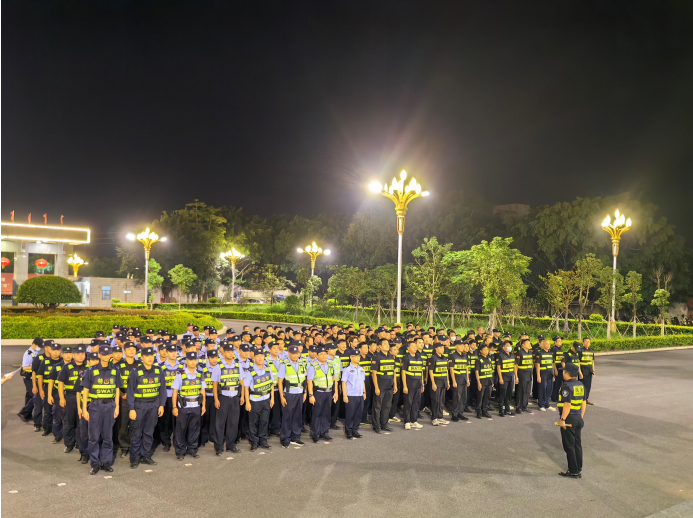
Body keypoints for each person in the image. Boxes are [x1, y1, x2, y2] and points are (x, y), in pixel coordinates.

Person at [81, 345, 123, 475]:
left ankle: (106, 462)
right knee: (94, 437)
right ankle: (95, 463)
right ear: (99, 355)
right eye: (103, 354)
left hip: (110, 406)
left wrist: (117, 406)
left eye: (108, 354)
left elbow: (117, 389)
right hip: (95, 406)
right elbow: (85, 390)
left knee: (108, 437)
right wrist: (84, 409)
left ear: (111, 355)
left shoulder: (115, 370)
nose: (106, 356)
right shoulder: (91, 370)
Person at [172, 352, 206, 460]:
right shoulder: (180, 375)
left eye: (195, 359)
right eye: (190, 360)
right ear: (186, 361)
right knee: (181, 429)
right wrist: (174, 407)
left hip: (196, 405)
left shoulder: (200, 374)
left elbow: (202, 391)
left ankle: (192, 449)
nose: (193, 362)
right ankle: (180, 451)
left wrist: (203, 406)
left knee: (194, 429)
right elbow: (175, 392)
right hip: (183, 406)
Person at [212, 343, 243, 456]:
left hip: (235, 397)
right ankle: (219, 447)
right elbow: (215, 385)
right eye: (228, 352)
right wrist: (216, 399)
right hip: (223, 397)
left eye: (232, 351)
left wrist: (242, 396)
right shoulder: (218, 366)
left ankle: (231, 445)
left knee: (233, 422)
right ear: (223, 353)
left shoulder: (238, 365)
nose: (230, 353)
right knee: (220, 423)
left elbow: (241, 382)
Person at [557, 363, 586, 478]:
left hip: (569, 418)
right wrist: (580, 416)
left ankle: (573, 471)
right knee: (577, 444)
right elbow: (583, 402)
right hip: (578, 417)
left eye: (564, 372)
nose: (563, 373)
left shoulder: (566, 386)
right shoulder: (580, 384)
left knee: (569, 445)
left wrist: (562, 419)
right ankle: (578, 467)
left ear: (567, 374)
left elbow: (567, 404)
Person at [242, 348, 274, 451]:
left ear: (264, 357)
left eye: (262, 356)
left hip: (266, 399)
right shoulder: (250, 371)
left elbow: (272, 384)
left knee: (264, 420)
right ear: (254, 358)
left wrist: (272, 398)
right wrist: (247, 402)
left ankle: (263, 440)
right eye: (258, 356)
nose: (260, 358)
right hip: (255, 400)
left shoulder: (268, 369)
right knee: (253, 422)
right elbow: (246, 388)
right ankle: (254, 442)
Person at [57, 345, 87, 453]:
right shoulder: (67, 367)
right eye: (78, 354)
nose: (81, 356)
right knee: (69, 422)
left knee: (81, 423)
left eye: (83, 354)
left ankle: (79, 443)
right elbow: (60, 383)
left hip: (84, 398)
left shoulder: (88, 366)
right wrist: (61, 398)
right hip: (70, 397)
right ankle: (69, 444)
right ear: (73, 355)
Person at [306, 345, 339, 443]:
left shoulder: (331, 365)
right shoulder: (313, 366)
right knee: (317, 413)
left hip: (329, 392)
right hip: (318, 392)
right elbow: (309, 381)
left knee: (326, 413)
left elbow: (335, 380)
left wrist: (336, 392)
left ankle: (324, 432)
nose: (324, 356)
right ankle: (315, 433)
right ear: (317, 356)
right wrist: (311, 395)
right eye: (321, 354)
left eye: (325, 354)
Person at [114, 341, 138, 459]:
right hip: (123, 399)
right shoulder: (118, 366)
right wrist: (122, 394)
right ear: (124, 351)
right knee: (123, 425)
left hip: (138, 399)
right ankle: (124, 447)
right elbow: (115, 383)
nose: (132, 351)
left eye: (134, 349)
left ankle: (135, 446)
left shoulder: (140, 364)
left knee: (136, 425)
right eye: (129, 349)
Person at [36, 342, 63, 438]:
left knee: (59, 410)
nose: (55, 352)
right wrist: (41, 390)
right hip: (47, 388)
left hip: (60, 389)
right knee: (48, 409)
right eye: (53, 350)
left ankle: (59, 430)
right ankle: (47, 428)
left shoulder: (63, 362)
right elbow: (40, 376)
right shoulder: (45, 362)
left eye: (57, 350)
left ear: (60, 351)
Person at [160, 343, 182, 452]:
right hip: (167, 396)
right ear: (167, 353)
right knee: (165, 421)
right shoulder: (161, 367)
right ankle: (166, 442)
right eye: (171, 352)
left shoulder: (182, 366)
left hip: (179, 397)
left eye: (175, 352)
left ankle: (177, 441)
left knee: (178, 421)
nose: (174, 354)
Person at [371, 338, 396, 434]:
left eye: (388, 344)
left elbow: (393, 372)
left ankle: (384, 424)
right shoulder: (377, 357)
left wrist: (395, 385)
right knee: (377, 407)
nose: (387, 345)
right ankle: (376, 426)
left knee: (387, 406)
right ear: (380, 346)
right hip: (380, 386)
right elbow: (374, 374)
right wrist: (376, 387)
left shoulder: (391, 357)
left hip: (389, 386)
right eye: (385, 344)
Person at [341, 348, 366, 439]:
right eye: (355, 356)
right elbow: (344, 382)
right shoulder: (347, 369)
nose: (358, 358)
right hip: (351, 395)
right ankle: (348, 431)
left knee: (358, 414)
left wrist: (364, 392)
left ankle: (355, 430)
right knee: (350, 414)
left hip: (359, 394)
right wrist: (344, 395)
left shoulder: (361, 369)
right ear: (351, 357)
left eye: (358, 356)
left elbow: (362, 381)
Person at [18, 337, 43, 423]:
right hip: (28, 378)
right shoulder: (28, 354)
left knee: (29, 396)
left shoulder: (35, 352)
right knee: (35, 396)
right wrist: (36, 367)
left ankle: (27, 415)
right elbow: (24, 367)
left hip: (32, 377)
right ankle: (23, 412)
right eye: (39, 346)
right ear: (35, 344)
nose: (39, 348)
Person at [401, 340, 425, 429]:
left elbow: (421, 371)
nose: (415, 348)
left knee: (416, 403)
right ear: (408, 348)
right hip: (409, 384)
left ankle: (414, 421)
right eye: (413, 347)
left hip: (418, 384)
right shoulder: (406, 357)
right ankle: (407, 421)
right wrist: (404, 386)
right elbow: (403, 372)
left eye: (415, 346)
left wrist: (422, 384)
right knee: (408, 403)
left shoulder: (419, 357)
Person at [198, 349, 218, 448]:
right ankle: (203, 438)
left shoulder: (219, 367)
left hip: (215, 396)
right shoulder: (202, 368)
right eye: (212, 357)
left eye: (216, 357)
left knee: (213, 418)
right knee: (204, 418)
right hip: (205, 396)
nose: (214, 359)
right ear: (208, 358)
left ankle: (212, 436)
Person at [265, 341, 285, 436]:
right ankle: (267, 429)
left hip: (279, 388)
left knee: (277, 409)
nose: (277, 350)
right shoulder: (266, 360)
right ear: (269, 350)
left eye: (277, 348)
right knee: (269, 409)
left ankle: (276, 428)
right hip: (269, 389)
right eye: (274, 348)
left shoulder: (281, 360)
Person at [428, 343, 449, 426]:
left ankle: (440, 417)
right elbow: (430, 371)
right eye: (440, 348)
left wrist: (448, 381)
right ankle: (434, 418)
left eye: (443, 348)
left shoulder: (445, 358)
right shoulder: (433, 358)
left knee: (441, 401)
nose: (442, 349)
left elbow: (446, 370)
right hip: (436, 382)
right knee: (435, 400)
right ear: (436, 349)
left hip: (443, 381)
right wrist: (433, 383)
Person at [448, 340, 470, 422]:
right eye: (460, 345)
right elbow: (451, 369)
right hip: (457, 379)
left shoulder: (464, 355)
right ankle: (454, 414)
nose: (462, 347)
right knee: (457, 397)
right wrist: (453, 381)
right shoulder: (452, 355)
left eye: (463, 346)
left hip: (464, 379)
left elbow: (466, 368)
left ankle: (460, 413)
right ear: (456, 346)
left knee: (463, 397)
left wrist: (468, 379)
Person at [535, 338, 556, 411]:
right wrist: (538, 376)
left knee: (549, 389)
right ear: (543, 345)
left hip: (550, 374)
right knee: (542, 389)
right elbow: (537, 365)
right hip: (543, 374)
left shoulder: (550, 353)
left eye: (549, 344)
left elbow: (552, 364)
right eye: (546, 344)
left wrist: (553, 375)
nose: (548, 345)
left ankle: (547, 404)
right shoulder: (539, 353)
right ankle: (541, 404)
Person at [514, 338, 534, 414]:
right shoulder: (520, 353)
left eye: (530, 343)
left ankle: (524, 406)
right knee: (521, 391)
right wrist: (516, 376)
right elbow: (516, 365)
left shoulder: (530, 353)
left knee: (527, 391)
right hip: (522, 375)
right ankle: (518, 407)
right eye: (528, 343)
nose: (529, 344)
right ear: (523, 345)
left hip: (529, 374)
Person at [496, 340, 515, 416]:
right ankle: (501, 410)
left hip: (511, 377)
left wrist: (515, 377)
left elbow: (514, 366)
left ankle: (507, 409)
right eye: (507, 345)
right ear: (503, 347)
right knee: (502, 394)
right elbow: (498, 367)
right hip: (504, 377)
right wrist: (500, 378)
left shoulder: (512, 355)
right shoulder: (500, 355)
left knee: (509, 394)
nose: (509, 347)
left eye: (510, 345)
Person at [475, 343, 493, 419]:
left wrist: (492, 381)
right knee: (480, 397)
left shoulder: (489, 359)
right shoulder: (478, 359)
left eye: (487, 350)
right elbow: (477, 372)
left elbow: (491, 370)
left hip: (489, 381)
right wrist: (479, 382)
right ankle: (478, 411)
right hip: (482, 381)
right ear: (481, 351)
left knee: (487, 397)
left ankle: (485, 411)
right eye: (484, 350)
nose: (486, 351)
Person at [579, 338, 595, 405]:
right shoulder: (580, 351)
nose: (587, 343)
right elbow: (578, 362)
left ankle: (585, 399)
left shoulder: (591, 351)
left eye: (589, 342)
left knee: (588, 386)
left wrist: (593, 371)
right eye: (586, 342)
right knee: (582, 386)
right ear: (583, 343)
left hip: (589, 371)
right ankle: (581, 399)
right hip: (583, 371)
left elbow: (592, 361)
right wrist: (579, 372)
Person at [550, 336, 565, 402]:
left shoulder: (560, 349)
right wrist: (555, 369)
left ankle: (556, 396)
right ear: (555, 342)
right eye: (559, 341)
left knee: (559, 383)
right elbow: (553, 360)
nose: (560, 342)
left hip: (560, 369)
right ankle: (553, 397)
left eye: (561, 341)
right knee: (555, 384)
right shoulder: (553, 349)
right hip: (556, 368)